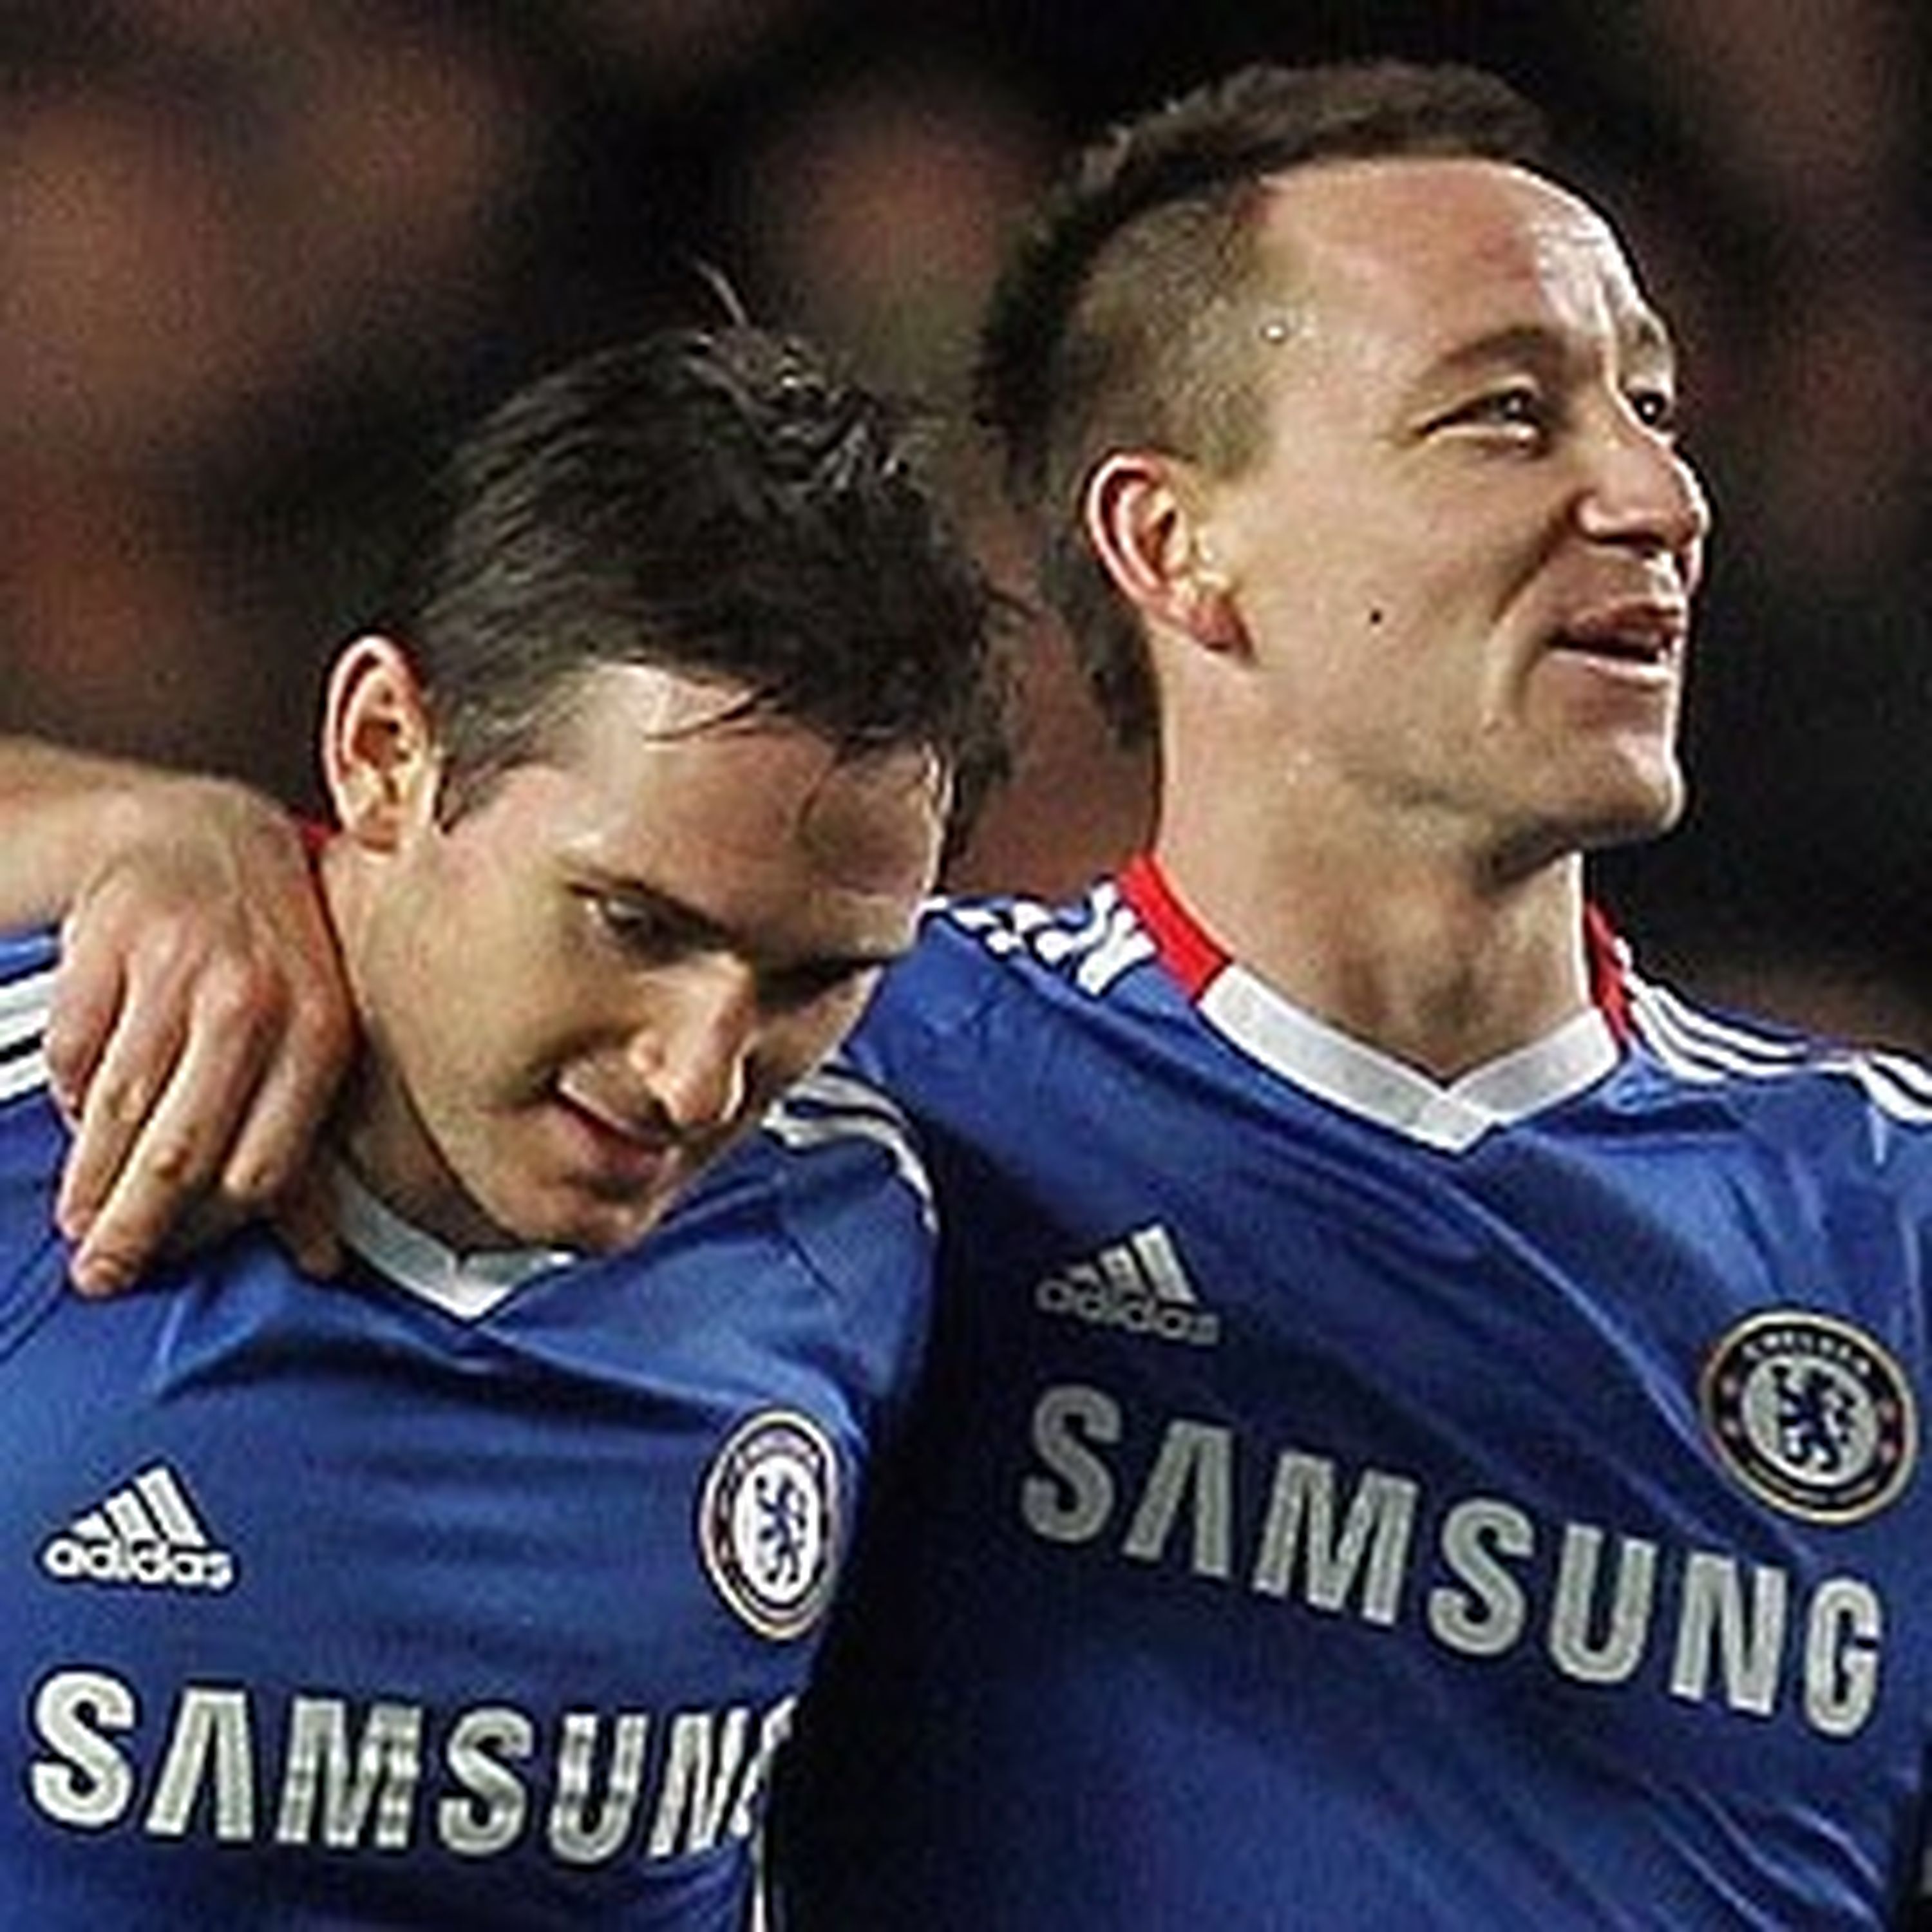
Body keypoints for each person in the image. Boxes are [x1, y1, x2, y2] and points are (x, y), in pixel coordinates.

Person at [10, 55, 1932, 1928]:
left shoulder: (1890, 1216)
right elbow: (447, 898)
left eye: (1654, 407)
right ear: (1176, 541)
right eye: (1505, 414)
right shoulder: (896, 1086)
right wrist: (153, 830)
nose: (1658, 492)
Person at [0, 320, 1008, 1926]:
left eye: (817, 977)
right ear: (386, 753)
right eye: (636, 923)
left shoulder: (888, 1215)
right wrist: (124, 812)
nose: (697, 1074)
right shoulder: (45, 1094)